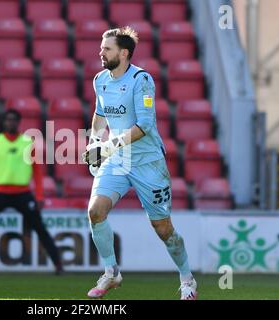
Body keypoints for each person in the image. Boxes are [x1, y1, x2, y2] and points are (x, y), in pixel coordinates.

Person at [82, 27, 197, 299]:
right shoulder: (100, 80)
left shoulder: (141, 80)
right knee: (96, 211)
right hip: (118, 161)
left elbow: (144, 125)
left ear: (123, 53)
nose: (101, 52)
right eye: (101, 47)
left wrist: (109, 145)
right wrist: (94, 141)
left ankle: (187, 279)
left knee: (163, 228)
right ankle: (111, 273)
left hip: (147, 162)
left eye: (106, 48)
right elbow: (100, 115)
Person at [0, 109, 63, 275]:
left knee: (40, 228)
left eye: (14, 120)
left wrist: (39, 195)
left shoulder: (27, 142)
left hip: (22, 193)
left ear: (18, 122)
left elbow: (36, 170)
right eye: (8, 120)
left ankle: (58, 264)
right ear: (3, 122)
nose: (11, 123)